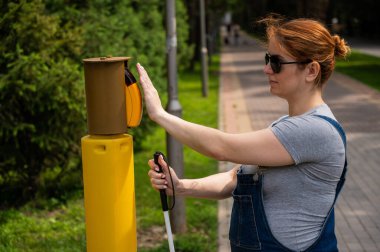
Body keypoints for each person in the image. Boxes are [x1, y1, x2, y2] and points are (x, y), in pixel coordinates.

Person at [136, 16, 350, 252]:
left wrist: (160, 115)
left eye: (277, 62)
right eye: (268, 59)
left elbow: (222, 148)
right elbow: (237, 178)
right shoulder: (286, 125)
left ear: (311, 70)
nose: (266, 68)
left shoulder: (316, 131)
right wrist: (181, 187)